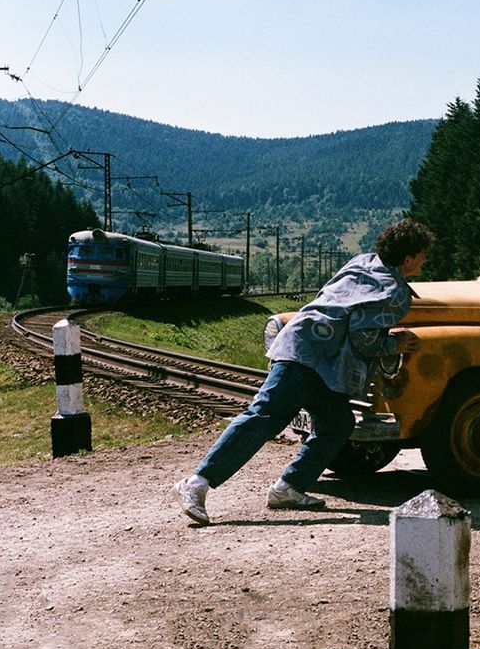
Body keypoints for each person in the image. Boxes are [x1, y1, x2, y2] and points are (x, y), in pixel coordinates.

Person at [173, 219, 434, 524]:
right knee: (264, 415)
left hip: (307, 346)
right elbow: (362, 336)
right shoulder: (395, 292)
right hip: (309, 355)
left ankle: (289, 487)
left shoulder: (362, 261)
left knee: (337, 423)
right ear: (408, 259)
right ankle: (196, 483)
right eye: (422, 254)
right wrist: (394, 344)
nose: (425, 259)